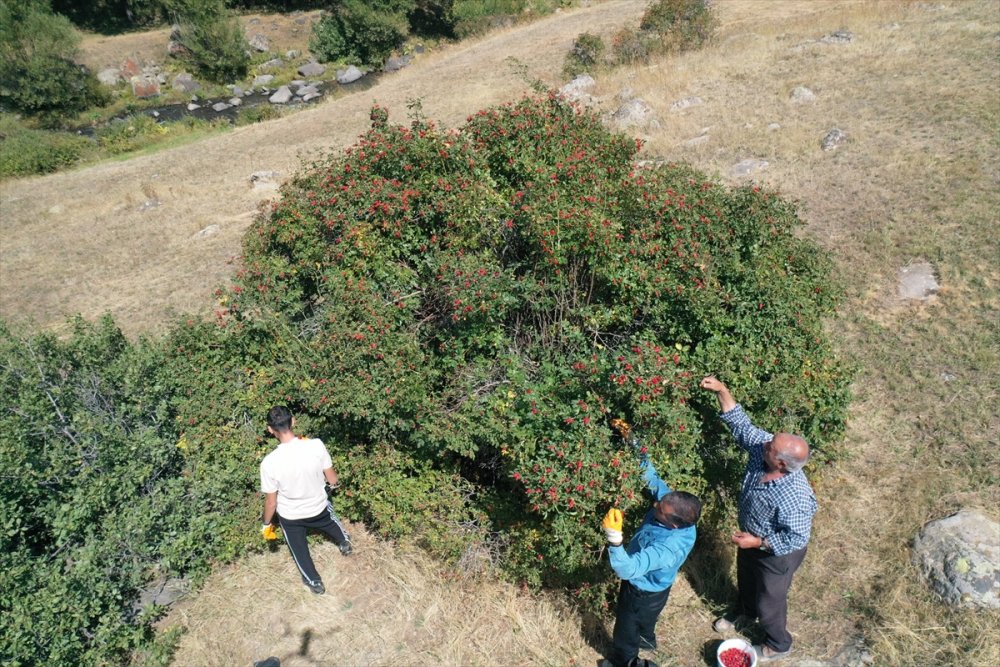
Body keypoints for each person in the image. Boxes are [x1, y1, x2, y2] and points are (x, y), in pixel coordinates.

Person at [699, 376, 817, 662]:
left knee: (770, 600)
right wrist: (723, 391)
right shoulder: (764, 451)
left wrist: (759, 542)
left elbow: (797, 537)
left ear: (781, 464)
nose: (765, 444)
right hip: (752, 537)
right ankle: (745, 612)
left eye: (771, 447)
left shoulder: (795, 495)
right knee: (748, 580)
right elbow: (742, 426)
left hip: (778, 552)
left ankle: (778, 643)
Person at [599, 420, 703, 667]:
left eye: (660, 508)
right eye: (660, 501)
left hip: (642, 590)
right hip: (658, 589)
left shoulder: (667, 549)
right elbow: (652, 477)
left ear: (674, 524)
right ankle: (647, 639)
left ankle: (624, 661)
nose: (655, 504)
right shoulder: (675, 509)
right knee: (646, 620)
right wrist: (632, 440)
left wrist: (614, 538)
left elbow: (628, 569)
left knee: (626, 627)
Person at [260, 405, 352, 595]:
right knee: (330, 520)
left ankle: (314, 582)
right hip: (318, 507)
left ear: (270, 429)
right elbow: (333, 479)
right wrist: (331, 489)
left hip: (291, 517)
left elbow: (271, 502)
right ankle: (344, 541)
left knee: (298, 549)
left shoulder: (269, 462)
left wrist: (266, 523)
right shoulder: (315, 444)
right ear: (293, 421)